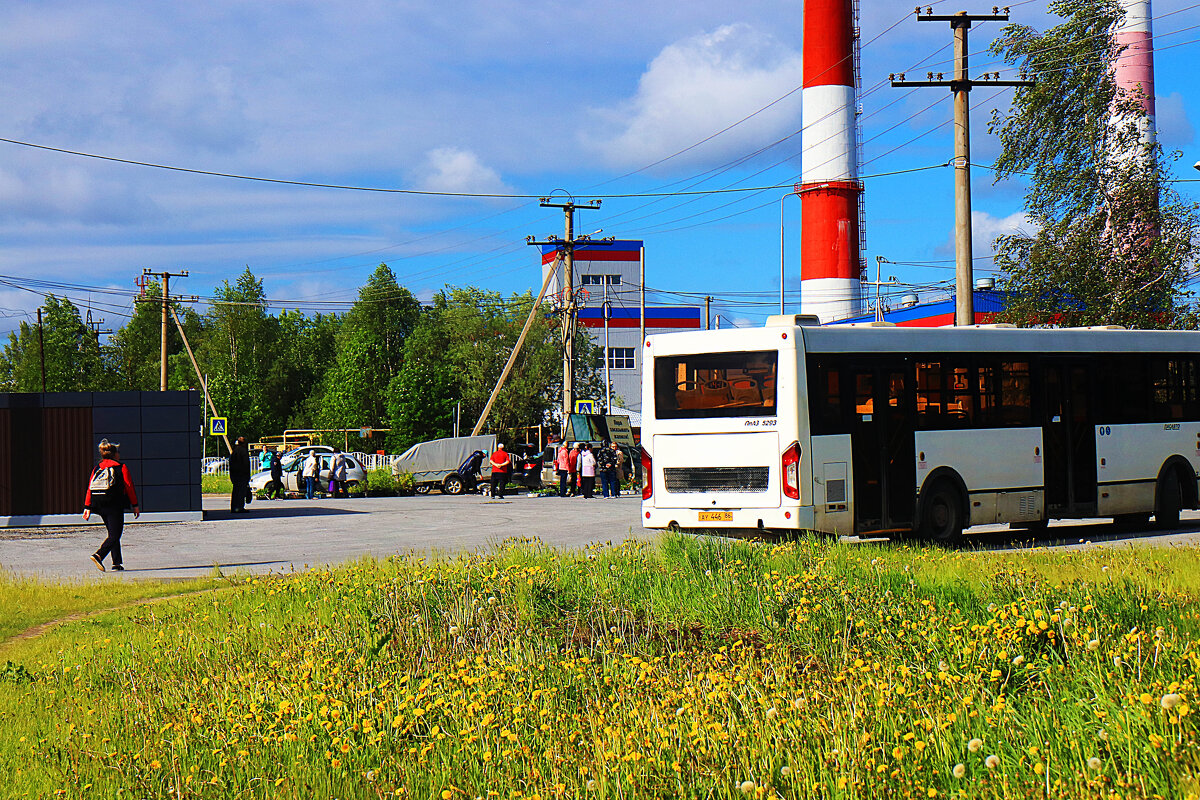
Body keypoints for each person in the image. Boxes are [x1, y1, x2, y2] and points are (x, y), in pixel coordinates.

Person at [84, 438, 139, 572]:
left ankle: (116, 563)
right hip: (114, 504)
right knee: (115, 535)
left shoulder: (97, 468)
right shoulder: (121, 467)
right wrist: (135, 505)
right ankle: (99, 555)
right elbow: (129, 486)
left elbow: (90, 488)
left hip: (99, 504)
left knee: (112, 533)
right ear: (115, 454)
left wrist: (87, 507)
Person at [230, 436, 252, 513]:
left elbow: (231, 464)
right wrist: (247, 476)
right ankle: (239, 507)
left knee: (235, 491)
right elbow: (246, 464)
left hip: (234, 474)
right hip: (242, 474)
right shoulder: (243, 451)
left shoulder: (234, 451)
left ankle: (233, 507)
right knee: (241, 491)